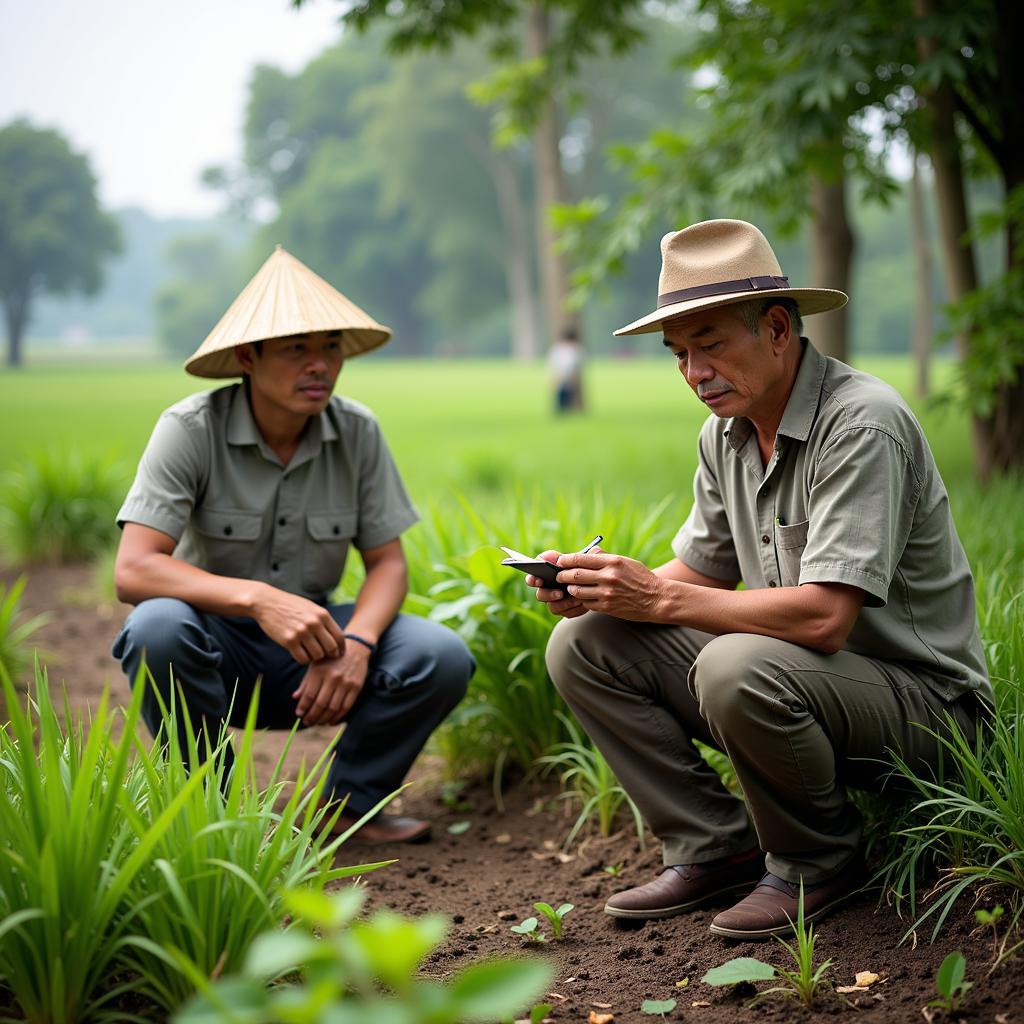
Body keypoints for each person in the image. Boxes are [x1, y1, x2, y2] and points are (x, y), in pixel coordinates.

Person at [533, 219, 991, 938]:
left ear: (778, 328)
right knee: (587, 642)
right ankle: (718, 848)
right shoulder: (726, 432)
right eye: (679, 353)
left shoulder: (860, 423)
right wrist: (602, 590)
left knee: (734, 664)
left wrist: (658, 596)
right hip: (813, 683)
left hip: (928, 709)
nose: (694, 373)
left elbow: (823, 621)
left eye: (711, 344)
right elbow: (698, 569)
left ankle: (819, 864)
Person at [112, 245, 474, 843]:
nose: (320, 365)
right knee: (156, 627)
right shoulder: (188, 430)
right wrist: (257, 598)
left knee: (438, 655)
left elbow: (387, 565)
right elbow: (134, 571)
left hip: (316, 649)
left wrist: (356, 643)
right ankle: (210, 816)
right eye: (297, 348)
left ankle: (351, 805)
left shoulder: (357, 431)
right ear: (248, 358)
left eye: (330, 347)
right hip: (213, 648)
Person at [549, 325, 584, 413]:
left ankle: (564, 411)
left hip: (563, 376)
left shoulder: (558, 348)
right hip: (565, 376)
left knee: (565, 396)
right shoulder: (575, 349)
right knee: (563, 396)